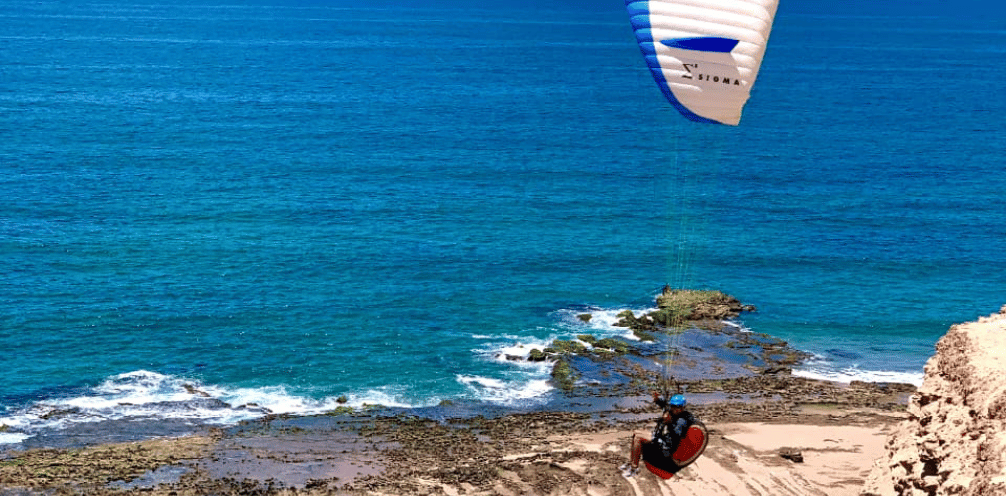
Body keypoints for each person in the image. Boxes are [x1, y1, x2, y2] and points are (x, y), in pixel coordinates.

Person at [621, 392, 697, 478]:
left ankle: (634, 468)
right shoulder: (674, 411)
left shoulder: (682, 421)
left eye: (677, 407)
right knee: (636, 432)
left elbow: (676, 436)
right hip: (663, 439)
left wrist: (669, 423)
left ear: (683, 407)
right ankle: (632, 461)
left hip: (667, 446)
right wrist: (657, 399)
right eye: (673, 406)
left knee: (638, 438)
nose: (674, 408)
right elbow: (664, 404)